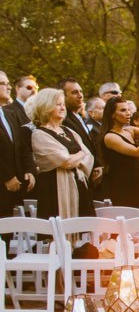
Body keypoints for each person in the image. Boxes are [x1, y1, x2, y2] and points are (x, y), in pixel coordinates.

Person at [30, 88, 95, 219]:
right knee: (59, 233)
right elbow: (66, 161)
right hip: (54, 190)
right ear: (46, 106)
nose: (62, 108)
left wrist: (77, 157)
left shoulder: (68, 130)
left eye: (63, 104)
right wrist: (80, 154)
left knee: (84, 232)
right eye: (58, 104)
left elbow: (89, 156)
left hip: (80, 185)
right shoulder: (40, 134)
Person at [100, 96, 139, 207]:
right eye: (123, 110)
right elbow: (138, 152)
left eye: (128, 110)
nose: (128, 113)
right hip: (122, 187)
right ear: (112, 115)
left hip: (138, 184)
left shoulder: (129, 130)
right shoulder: (110, 137)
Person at [0, 71, 36, 217]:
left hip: (15, 189)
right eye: (3, 84)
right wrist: (7, 176)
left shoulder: (9, 113)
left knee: (9, 235)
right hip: (4, 182)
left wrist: (30, 169)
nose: (8, 87)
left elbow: (22, 147)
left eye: (8, 84)